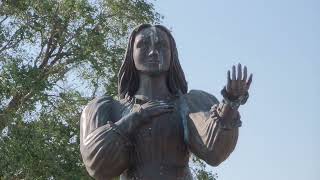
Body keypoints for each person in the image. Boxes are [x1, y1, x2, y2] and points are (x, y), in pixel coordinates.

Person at [80, 24, 253, 180]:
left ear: (172, 54)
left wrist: (230, 103)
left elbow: (214, 153)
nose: (153, 51)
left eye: (162, 45)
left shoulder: (189, 104)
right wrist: (135, 118)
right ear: (131, 54)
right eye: (143, 45)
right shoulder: (109, 109)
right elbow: (98, 167)